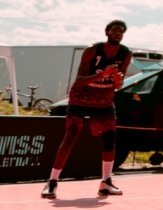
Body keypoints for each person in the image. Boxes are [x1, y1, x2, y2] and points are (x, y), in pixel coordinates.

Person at [42, 19, 133, 200]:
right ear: (107, 32)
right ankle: (52, 182)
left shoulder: (125, 53)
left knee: (109, 139)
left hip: (104, 100)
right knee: (71, 136)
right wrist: (102, 74)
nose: (118, 34)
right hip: (81, 97)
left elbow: (118, 84)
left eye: (121, 32)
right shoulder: (92, 50)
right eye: (114, 30)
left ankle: (106, 182)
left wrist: (116, 80)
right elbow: (79, 80)